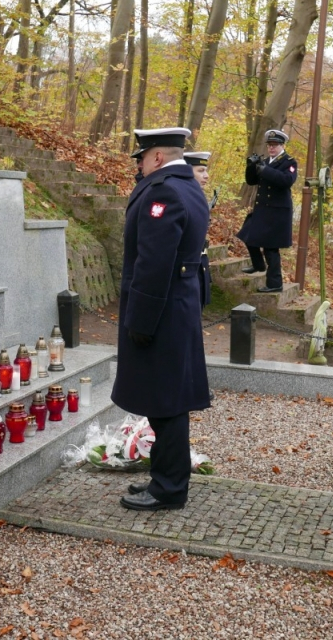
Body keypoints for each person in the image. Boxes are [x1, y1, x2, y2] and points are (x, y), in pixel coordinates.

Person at [112, 128, 210, 511]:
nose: (139, 165)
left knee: (166, 403)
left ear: (155, 157)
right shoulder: (188, 186)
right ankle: (165, 478)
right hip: (176, 307)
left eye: (141, 158)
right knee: (166, 399)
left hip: (162, 310)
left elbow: (153, 264)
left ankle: (169, 488)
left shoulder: (164, 191)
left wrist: (140, 320)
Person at [236, 129, 298, 293]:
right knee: (248, 234)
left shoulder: (289, 162)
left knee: (271, 248)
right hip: (263, 209)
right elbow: (251, 181)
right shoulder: (265, 161)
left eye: (275, 145)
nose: (271, 148)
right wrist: (251, 166)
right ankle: (258, 265)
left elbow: (286, 181)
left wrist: (265, 170)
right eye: (269, 145)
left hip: (278, 212)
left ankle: (275, 283)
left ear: (282, 145)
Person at [185, 151, 214, 307]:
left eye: (206, 170)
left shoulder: (198, 196)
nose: (206, 175)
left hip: (200, 261)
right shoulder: (183, 197)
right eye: (200, 171)